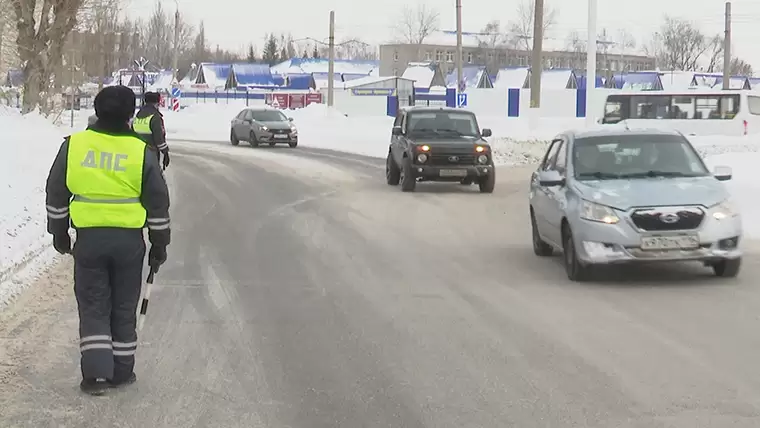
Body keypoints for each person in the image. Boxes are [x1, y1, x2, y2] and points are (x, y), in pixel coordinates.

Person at [44, 85, 171, 395]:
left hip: (89, 241)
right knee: (124, 306)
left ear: (97, 111)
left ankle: (96, 376)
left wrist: (59, 231)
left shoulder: (74, 145)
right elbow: (157, 202)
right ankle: (122, 372)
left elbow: (56, 192)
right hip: (129, 243)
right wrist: (159, 244)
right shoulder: (140, 152)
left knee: (93, 305)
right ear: (130, 115)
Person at [132, 91, 170, 169]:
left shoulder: (137, 117)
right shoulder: (155, 118)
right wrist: (165, 153)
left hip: (136, 154)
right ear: (157, 103)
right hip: (151, 155)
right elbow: (159, 139)